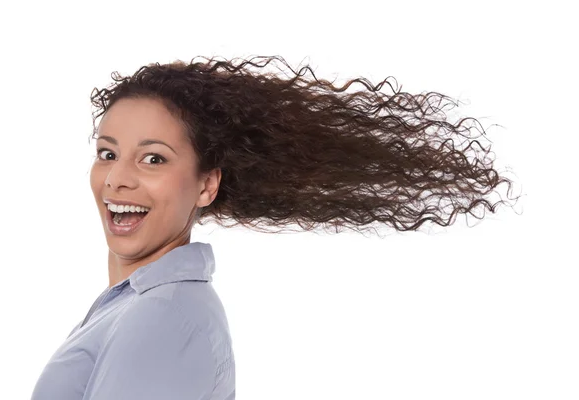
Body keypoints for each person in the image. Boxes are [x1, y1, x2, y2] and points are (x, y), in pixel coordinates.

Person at [30, 55, 521, 400]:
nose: (117, 178)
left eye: (153, 158)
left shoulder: (162, 316)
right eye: (107, 153)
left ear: (206, 186)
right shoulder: (134, 306)